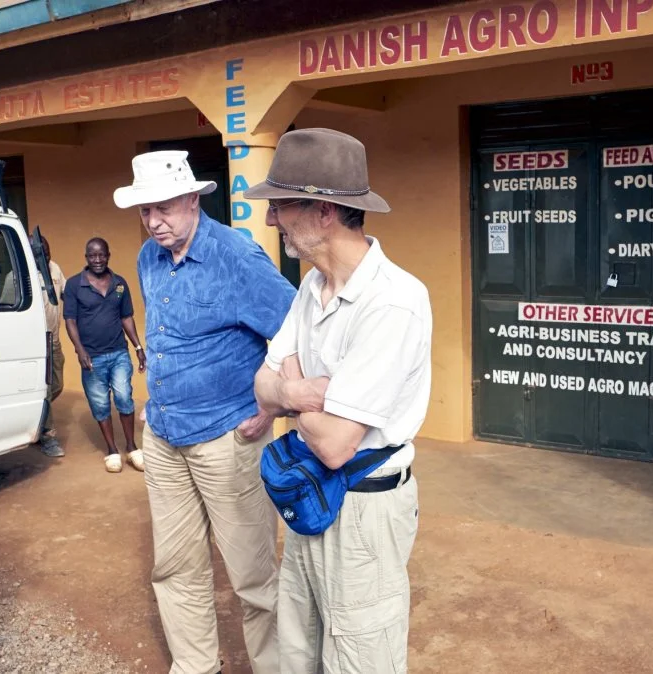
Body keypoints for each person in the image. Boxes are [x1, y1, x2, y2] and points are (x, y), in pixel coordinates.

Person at [248, 128, 432, 672]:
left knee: (359, 660)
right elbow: (262, 384)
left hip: (364, 509)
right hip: (312, 498)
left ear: (324, 211)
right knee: (299, 651)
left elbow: (334, 445)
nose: (271, 219)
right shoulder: (309, 288)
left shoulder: (394, 302)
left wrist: (286, 392)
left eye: (281, 205)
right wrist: (301, 390)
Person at [112, 149, 296, 674]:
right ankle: (196, 666)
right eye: (144, 211)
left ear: (193, 199)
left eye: (164, 208)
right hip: (165, 438)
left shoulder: (237, 256)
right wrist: (158, 401)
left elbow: (295, 329)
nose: (153, 222)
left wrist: (272, 405)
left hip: (227, 437)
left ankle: (274, 667)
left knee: (253, 577)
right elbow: (167, 336)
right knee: (174, 567)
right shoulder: (150, 256)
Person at [62, 237, 146, 472]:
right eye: (92, 255)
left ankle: (131, 447)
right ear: (86, 257)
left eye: (101, 255)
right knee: (100, 403)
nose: (97, 260)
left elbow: (126, 317)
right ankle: (111, 450)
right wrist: (79, 350)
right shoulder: (74, 285)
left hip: (119, 352)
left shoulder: (119, 283)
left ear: (108, 255)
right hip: (92, 357)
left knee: (124, 397)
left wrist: (138, 347)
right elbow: (70, 320)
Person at [37, 235, 68, 457]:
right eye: (41, 253)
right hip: (36, 343)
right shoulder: (20, 273)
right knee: (46, 390)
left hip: (54, 340)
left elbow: (66, 293)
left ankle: (37, 417)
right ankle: (47, 436)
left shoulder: (54, 268)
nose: (46, 257)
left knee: (57, 384)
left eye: (47, 252)